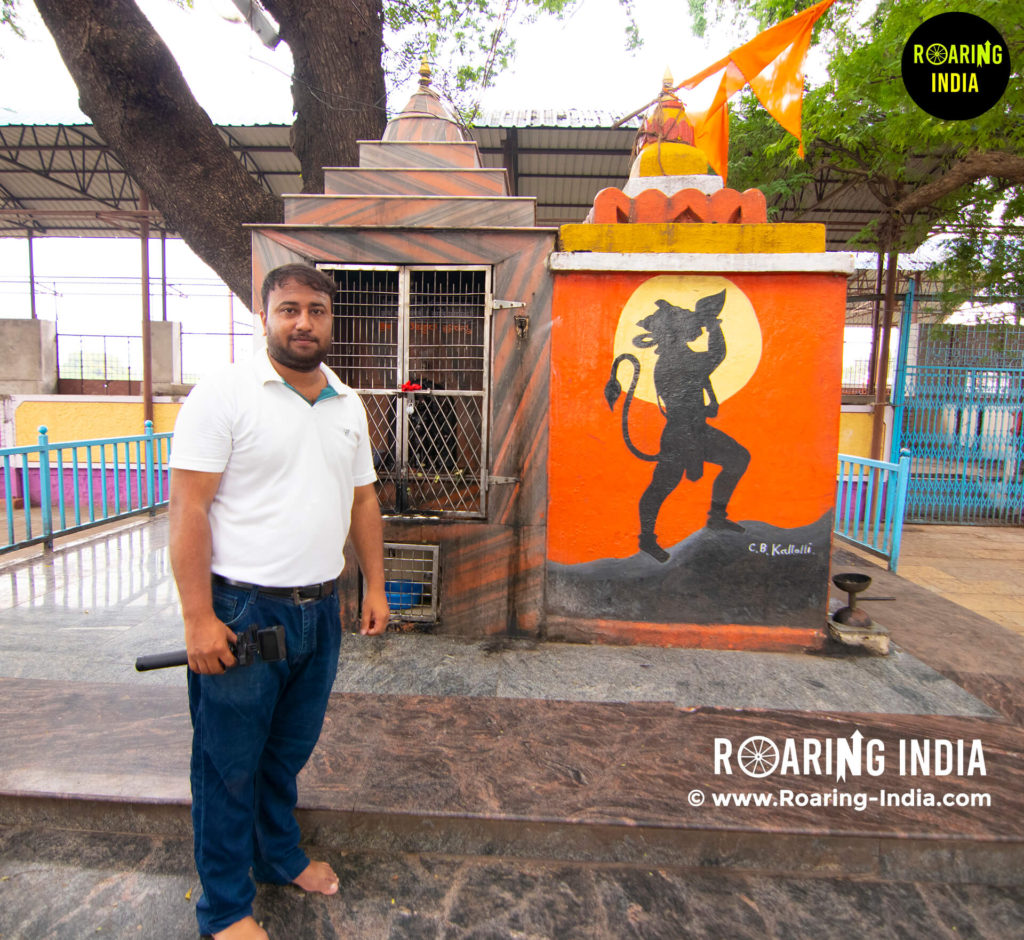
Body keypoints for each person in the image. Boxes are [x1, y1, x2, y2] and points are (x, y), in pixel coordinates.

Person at [168, 262, 390, 940]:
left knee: (286, 752)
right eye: (289, 308)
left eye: (316, 310)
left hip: (319, 612)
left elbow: (363, 500)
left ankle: (278, 855)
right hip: (243, 612)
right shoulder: (225, 394)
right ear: (264, 316)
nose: (303, 322)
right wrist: (198, 617)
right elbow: (188, 507)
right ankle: (227, 909)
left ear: (331, 320)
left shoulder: (346, 403)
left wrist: (373, 584)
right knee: (227, 765)